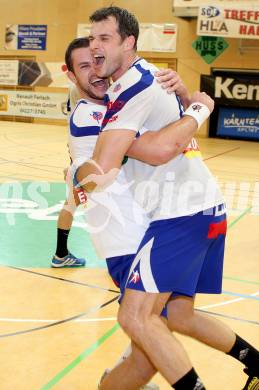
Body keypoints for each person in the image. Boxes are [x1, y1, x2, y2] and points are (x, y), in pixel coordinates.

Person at [74, 7, 259, 390]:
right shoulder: (146, 78)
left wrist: (77, 175)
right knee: (179, 316)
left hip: (181, 212)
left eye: (103, 39)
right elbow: (164, 138)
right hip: (203, 207)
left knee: (136, 318)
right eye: (91, 41)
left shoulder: (134, 86)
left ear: (129, 42)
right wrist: (191, 101)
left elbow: (138, 156)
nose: (95, 50)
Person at [64, 36, 201, 390]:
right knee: (149, 318)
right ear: (70, 74)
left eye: (97, 61)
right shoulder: (90, 114)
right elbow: (145, 151)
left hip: (149, 226)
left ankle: (128, 378)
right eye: (85, 65)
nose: (95, 70)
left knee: (151, 317)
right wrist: (77, 180)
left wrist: (181, 92)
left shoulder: (120, 101)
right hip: (123, 236)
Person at [51, 86, 86, 268]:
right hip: (87, 148)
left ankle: (61, 253)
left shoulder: (79, 82)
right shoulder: (91, 82)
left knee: (72, 200)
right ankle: (61, 253)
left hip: (78, 147)